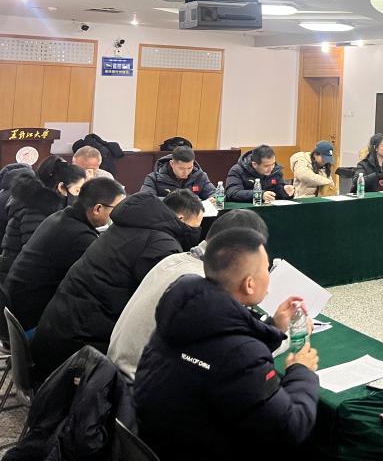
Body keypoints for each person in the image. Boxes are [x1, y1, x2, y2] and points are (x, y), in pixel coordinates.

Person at [134, 228, 319, 461]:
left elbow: (223, 341)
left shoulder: (182, 312)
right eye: (266, 269)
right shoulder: (241, 355)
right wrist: (301, 371)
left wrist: (274, 327)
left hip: (158, 443)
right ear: (249, 284)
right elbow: (288, 429)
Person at [30, 189, 205, 378]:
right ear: (180, 219)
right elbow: (164, 309)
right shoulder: (161, 245)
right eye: (196, 226)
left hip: (58, 335)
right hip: (77, 355)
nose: (196, 233)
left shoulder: (126, 227)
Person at [108, 208, 269, 380]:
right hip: (138, 383)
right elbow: (231, 356)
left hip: (115, 370)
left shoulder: (174, 259)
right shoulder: (203, 284)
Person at [4, 177, 125, 331]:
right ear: (98, 209)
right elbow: (103, 280)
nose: (120, 214)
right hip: (32, 320)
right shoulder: (79, 235)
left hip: (16, 307)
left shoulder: (60, 218)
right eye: (117, 208)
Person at [0, 156, 86, 284]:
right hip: (18, 279)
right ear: (61, 187)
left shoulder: (45, 205)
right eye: (77, 190)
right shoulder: (35, 209)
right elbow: (33, 256)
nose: (79, 197)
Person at [140, 145, 216, 200]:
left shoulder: (200, 176)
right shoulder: (153, 178)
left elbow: (214, 193)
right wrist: (177, 201)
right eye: (181, 168)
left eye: (190, 168)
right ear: (172, 164)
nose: (186, 172)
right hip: (165, 215)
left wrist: (213, 198)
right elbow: (146, 199)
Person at [225, 145, 295, 203]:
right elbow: (233, 193)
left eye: (273, 164)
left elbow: (278, 192)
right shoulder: (237, 170)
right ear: (254, 164)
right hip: (244, 211)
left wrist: (285, 191)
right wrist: (259, 195)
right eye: (266, 166)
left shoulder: (276, 170)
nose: (271, 168)